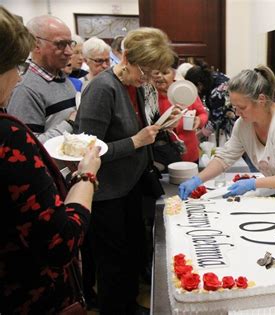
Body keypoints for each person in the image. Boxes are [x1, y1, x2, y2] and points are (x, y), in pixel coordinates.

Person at [0, 6, 102, 314]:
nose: (17, 77)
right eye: (13, 66)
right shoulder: (8, 133)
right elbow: (59, 243)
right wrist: (86, 176)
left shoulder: (64, 80)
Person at [75, 27, 175, 315]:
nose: (146, 79)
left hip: (129, 185)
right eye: (144, 71)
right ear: (126, 57)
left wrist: (162, 125)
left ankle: (128, 306)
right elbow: (87, 150)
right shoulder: (102, 88)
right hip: (106, 193)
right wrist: (136, 141)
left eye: (152, 73)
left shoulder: (134, 85)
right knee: (113, 264)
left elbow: (138, 129)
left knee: (132, 254)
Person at [178, 65, 275, 230]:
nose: (237, 113)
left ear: (261, 100)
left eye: (242, 107)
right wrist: (198, 179)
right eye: (234, 107)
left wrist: (252, 184)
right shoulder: (243, 124)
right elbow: (226, 157)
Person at [7, 14, 78, 143]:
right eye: (61, 44)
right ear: (35, 44)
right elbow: (28, 145)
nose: (69, 52)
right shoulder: (25, 89)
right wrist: (70, 124)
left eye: (70, 43)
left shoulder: (61, 77)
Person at [153, 63, 208, 162]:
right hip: (161, 154)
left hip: (189, 152)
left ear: (174, 74)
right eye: (156, 73)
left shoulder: (185, 90)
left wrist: (199, 120)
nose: (160, 76)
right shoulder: (149, 95)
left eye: (165, 73)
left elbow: (202, 113)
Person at [185, 60, 235, 144]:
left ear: (199, 85)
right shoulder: (214, 76)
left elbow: (215, 121)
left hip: (232, 126)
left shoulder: (217, 93)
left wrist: (197, 137)